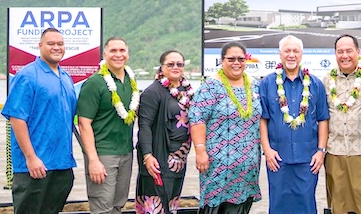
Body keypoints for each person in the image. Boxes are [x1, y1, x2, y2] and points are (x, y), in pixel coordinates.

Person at [1, 28, 77, 214]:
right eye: (51, 43)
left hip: (62, 165)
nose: (56, 47)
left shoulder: (66, 78)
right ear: (40, 46)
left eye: (60, 44)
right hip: (34, 167)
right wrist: (31, 157)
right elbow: (17, 118)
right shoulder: (28, 75)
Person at [188, 41, 262, 213]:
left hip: (247, 165)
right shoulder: (211, 87)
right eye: (231, 59)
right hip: (217, 165)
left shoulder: (255, 86)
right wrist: (200, 151)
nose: (236, 63)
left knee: (241, 207)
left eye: (241, 59)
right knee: (214, 208)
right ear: (222, 61)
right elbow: (197, 119)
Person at [259, 35, 330, 214]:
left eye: (295, 51)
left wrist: (320, 151)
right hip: (277, 158)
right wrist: (267, 150)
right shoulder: (267, 84)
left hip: (308, 159)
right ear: (280, 54)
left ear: (301, 54)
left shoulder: (315, 84)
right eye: (287, 51)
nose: (291, 55)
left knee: (306, 205)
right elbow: (263, 119)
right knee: (278, 205)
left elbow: (323, 119)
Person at [77, 37, 138, 214]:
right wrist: (93, 161)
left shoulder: (130, 81)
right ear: (104, 55)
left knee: (118, 205)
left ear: (127, 54)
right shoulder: (95, 83)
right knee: (102, 208)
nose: (118, 55)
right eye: (113, 51)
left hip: (126, 152)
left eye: (122, 50)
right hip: (103, 154)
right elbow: (84, 124)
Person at [322, 34, 361, 214]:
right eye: (340, 51)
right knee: (338, 203)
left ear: (358, 52)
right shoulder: (326, 79)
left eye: (349, 51)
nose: (344, 55)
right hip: (335, 151)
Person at [135, 50, 195, 213]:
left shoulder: (186, 91)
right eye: (170, 64)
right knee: (156, 205)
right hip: (159, 156)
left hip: (179, 159)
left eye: (179, 64)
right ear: (161, 67)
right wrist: (147, 155)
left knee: (171, 203)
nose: (175, 67)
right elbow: (145, 125)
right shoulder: (152, 92)